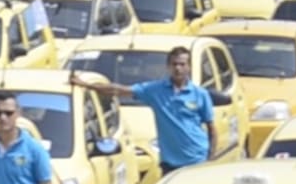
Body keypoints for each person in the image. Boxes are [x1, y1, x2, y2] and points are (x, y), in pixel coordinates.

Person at [71, 46, 216, 175]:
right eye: (174, 64)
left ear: (189, 67)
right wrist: (86, 85)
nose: (178, 68)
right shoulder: (155, 90)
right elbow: (119, 90)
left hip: (197, 161)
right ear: (168, 66)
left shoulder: (200, 94)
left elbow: (212, 129)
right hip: (170, 165)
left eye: (182, 64)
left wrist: (211, 158)